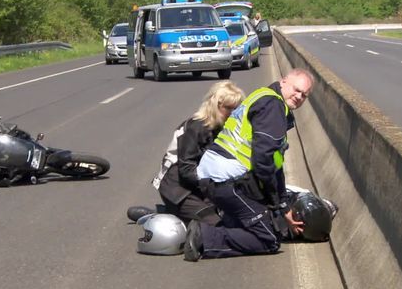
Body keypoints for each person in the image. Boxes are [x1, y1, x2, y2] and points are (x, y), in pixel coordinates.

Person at [184, 68, 315, 262]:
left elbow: (275, 165)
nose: (298, 96)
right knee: (269, 238)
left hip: (213, 175)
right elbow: (264, 162)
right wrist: (278, 204)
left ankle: (228, 225)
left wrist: (283, 204)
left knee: (261, 218)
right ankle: (204, 237)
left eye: (304, 95)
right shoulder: (273, 107)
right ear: (284, 81)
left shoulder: (264, 96)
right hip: (226, 180)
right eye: (296, 90)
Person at [127, 81, 245, 226]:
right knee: (216, 224)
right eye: (228, 108)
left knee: (236, 216)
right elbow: (187, 170)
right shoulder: (197, 127)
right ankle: (160, 216)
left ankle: (172, 214)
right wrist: (214, 188)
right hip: (178, 189)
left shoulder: (222, 127)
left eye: (237, 108)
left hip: (199, 187)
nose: (233, 113)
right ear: (215, 105)